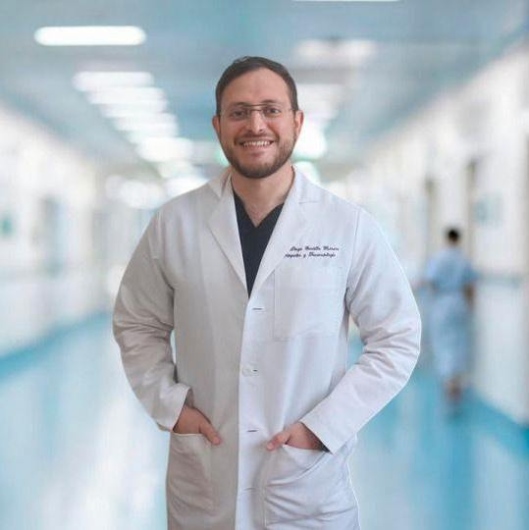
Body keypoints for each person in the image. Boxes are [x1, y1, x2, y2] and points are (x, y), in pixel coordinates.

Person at [113, 56, 421, 530]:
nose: (256, 125)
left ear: (297, 121)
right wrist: (171, 408)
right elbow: (137, 322)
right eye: (239, 112)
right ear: (218, 125)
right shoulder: (174, 223)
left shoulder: (347, 226)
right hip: (206, 480)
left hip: (308, 485)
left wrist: (323, 428)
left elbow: (397, 336)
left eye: (271, 110)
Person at [424, 227, 477, 409]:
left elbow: (431, 282)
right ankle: (456, 383)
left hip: (442, 302)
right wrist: (470, 308)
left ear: (446, 239)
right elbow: (470, 287)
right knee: (459, 343)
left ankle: (448, 385)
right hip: (459, 303)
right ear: (459, 239)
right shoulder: (464, 259)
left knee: (442, 343)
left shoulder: (438, 258)